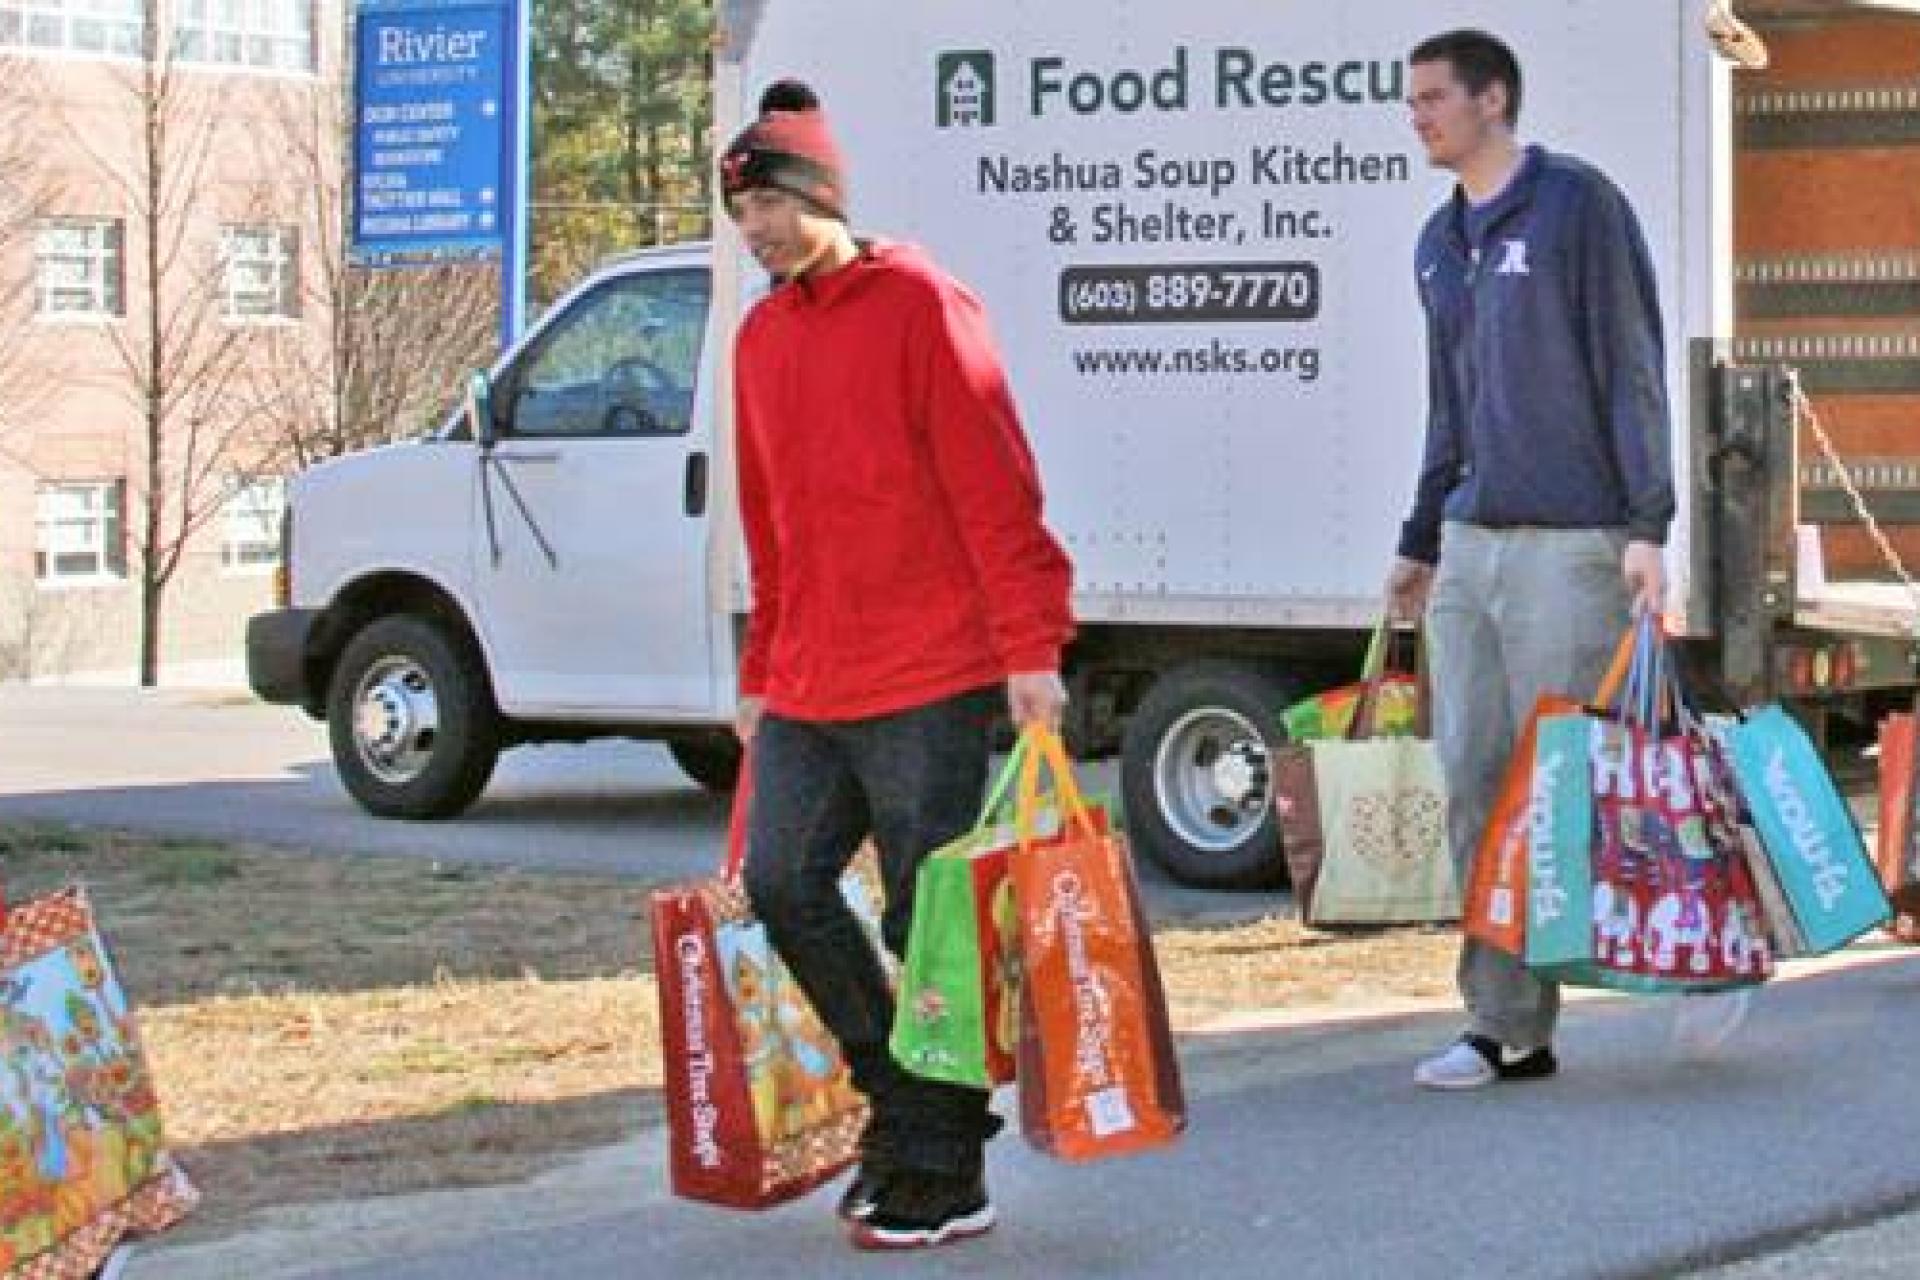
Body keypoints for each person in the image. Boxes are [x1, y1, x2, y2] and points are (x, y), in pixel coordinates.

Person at [720, 80, 1075, 1247]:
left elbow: (996, 483)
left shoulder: (922, 301)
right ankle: (904, 1106)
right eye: (742, 216)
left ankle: (943, 1166)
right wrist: (761, 668)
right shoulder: (761, 337)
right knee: (781, 882)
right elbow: (769, 524)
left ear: (818, 191)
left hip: (929, 670)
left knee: (931, 920)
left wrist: (1031, 646)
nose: (758, 230)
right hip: (814, 677)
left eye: (770, 201)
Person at [1385, 30, 1673, 1091]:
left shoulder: (1576, 207)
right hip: (1470, 545)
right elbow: (1446, 402)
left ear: (1492, 98)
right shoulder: (1435, 241)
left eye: (1432, 98)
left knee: (1574, 789)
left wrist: (1649, 525)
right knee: (1472, 779)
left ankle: (1709, 945)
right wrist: (1418, 539)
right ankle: (1503, 1022)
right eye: (1409, 101)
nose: (1417, 116)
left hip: (1572, 542)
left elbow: (1630, 363)